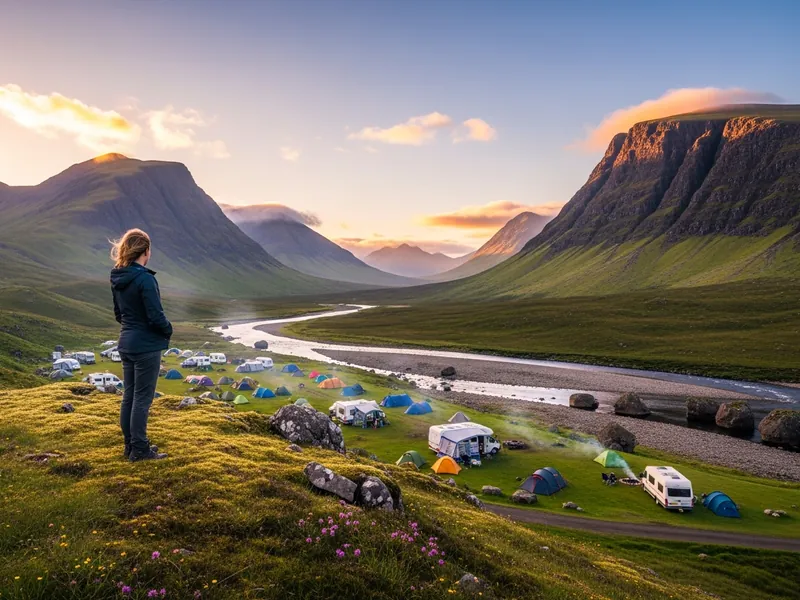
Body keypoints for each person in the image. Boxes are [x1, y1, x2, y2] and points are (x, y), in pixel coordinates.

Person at [110, 229, 172, 462]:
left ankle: (130, 446)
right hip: (146, 347)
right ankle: (140, 450)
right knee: (142, 399)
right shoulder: (145, 279)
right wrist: (168, 329)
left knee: (129, 396)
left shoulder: (117, 276)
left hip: (126, 342)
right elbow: (156, 316)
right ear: (146, 251)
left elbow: (119, 314)